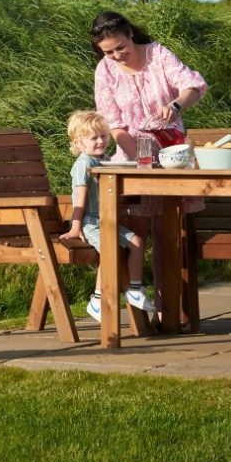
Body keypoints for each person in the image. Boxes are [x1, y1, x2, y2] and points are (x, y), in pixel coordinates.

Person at [89, 10, 209, 213]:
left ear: (130, 34)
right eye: (108, 52)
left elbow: (194, 87)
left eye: (120, 47)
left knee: (168, 226)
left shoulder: (159, 55)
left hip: (172, 157)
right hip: (132, 156)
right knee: (136, 222)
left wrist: (175, 105)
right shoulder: (105, 70)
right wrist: (139, 161)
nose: (117, 56)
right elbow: (115, 125)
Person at [59, 110, 154, 321]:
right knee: (110, 250)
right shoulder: (84, 164)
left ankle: (135, 290)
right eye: (93, 138)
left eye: (103, 136)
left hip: (108, 221)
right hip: (91, 222)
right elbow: (80, 199)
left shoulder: (105, 160)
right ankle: (97, 300)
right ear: (79, 142)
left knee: (137, 242)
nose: (100, 141)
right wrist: (75, 227)